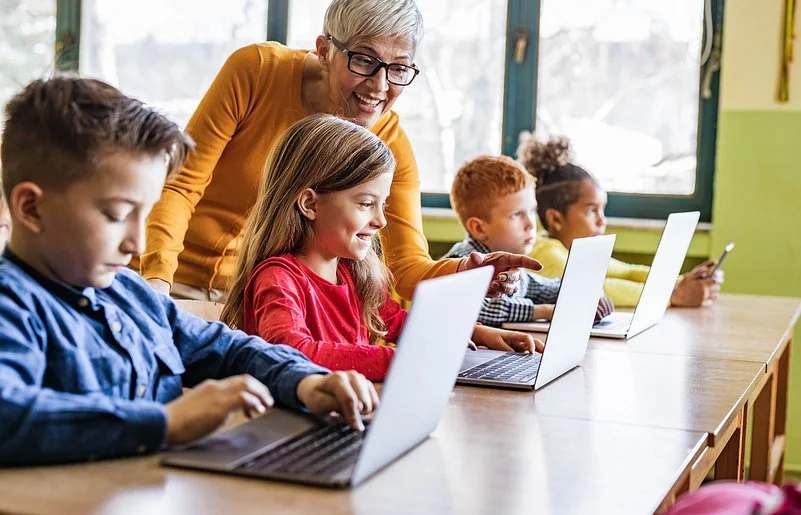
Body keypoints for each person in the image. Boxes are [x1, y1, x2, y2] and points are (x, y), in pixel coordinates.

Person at [0, 77, 377, 466]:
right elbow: (8, 414)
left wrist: (306, 382)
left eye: (144, 215)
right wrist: (163, 423)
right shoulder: (11, 306)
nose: (138, 245)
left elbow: (226, 348)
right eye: (116, 215)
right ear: (30, 208)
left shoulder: (128, 291)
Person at [136, 0, 540, 303]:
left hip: (260, 302)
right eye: (364, 60)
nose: (380, 87)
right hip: (171, 282)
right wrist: (156, 284)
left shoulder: (391, 146)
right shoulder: (256, 71)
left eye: (399, 68)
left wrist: (466, 271)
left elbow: (406, 267)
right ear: (325, 50)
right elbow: (180, 185)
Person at [221, 115, 542, 381]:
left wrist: (476, 333)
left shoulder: (351, 272)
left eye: (382, 205)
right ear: (309, 203)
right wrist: (398, 361)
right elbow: (291, 351)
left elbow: (399, 322)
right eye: (365, 203)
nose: (380, 221)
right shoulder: (279, 279)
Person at [518, 135, 721, 308]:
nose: (601, 221)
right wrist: (675, 295)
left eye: (602, 210)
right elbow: (594, 290)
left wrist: (681, 281)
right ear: (556, 219)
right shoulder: (545, 253)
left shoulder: (575, 250)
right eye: (591, 211)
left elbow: (628, 272)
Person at [443, 154, 613, 326]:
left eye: (532, 211)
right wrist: (544, 311)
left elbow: (542, 288)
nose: (531, 224)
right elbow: (478, 307)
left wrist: (586, 291)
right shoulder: (461, 262)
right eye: (517, 215)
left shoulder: (513, 266)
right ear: (479, 228)